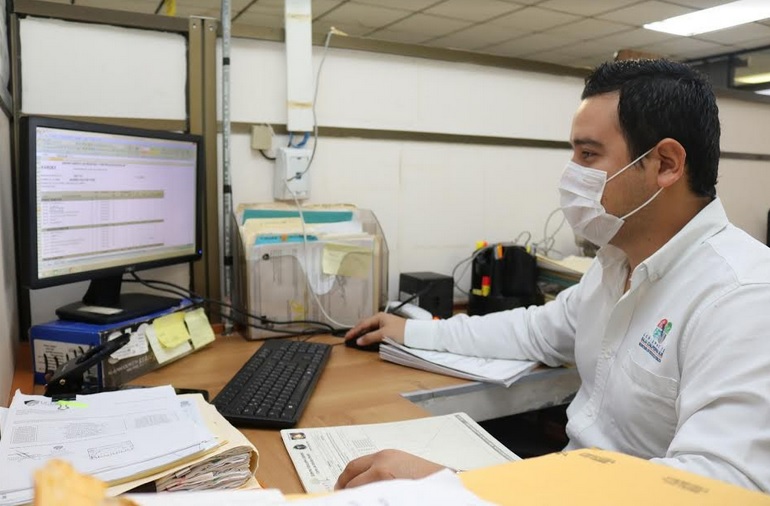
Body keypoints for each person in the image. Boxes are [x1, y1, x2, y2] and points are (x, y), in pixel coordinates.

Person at [335, 59, 770, 492]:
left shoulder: (743, 298)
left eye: (588, 154)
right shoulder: (614, 264)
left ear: (666, 164)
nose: (571, 174)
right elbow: (533, 332)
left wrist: (463, 490)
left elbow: (721, 489)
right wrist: (413, 332)